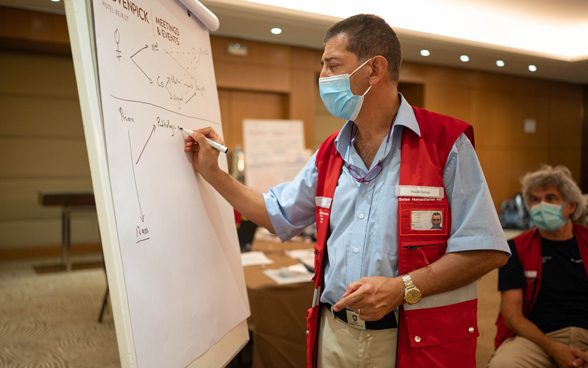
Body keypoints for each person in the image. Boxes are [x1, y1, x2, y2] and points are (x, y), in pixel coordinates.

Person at [184, 14, 509, 368]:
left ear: (374, 70)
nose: (322, 77)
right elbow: (277, 213)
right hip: (334, 333)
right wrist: (212, 173)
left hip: (411, 339)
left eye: (332, 65)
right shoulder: (330, 152)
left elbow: (485, 250)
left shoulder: (445, 144)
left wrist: (402, 288)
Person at [489, 165, 588, 368]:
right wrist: (554, 349)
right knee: (503, 365)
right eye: (535, 199)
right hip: (538, 338)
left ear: (571, 207)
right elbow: (512, 315)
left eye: (550, 198)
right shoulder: (515, 248)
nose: (541, 205)